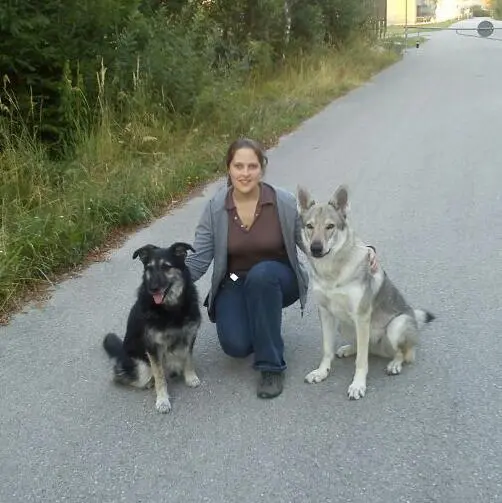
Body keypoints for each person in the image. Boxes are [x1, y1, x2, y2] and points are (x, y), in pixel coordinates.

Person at [185, 138, 377, 399]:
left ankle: (271, 366)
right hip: (234, 278)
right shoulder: (216, 208)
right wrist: (166, 277)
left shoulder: (282, 202)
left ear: (262, 168)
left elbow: (315, 239)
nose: (245, 173)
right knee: (236, 345)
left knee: (262, 277)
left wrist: (366, 251)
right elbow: (198, 259)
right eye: (238, 166)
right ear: (228, 169)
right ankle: (260, 320)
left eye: (252, 166)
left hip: (277, 277)